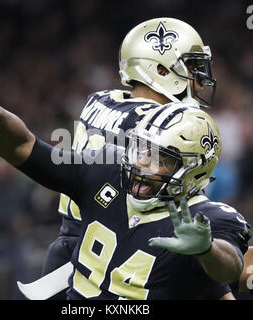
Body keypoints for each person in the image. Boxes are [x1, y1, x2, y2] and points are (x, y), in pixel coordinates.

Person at [0, 80, 250, 299]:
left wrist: (206, 250)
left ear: (194, 169)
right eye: (141, 149)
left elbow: (229, 269)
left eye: (159, 158)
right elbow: (25, 146)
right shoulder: (107, 173)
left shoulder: (208, 220)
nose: (141, 162)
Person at [41, 17, 219, 299]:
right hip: (115, 264)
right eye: (192, 67)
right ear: (160, 70)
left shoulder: (99, 99)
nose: (199, 78)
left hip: (69, 249)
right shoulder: (161, 126)